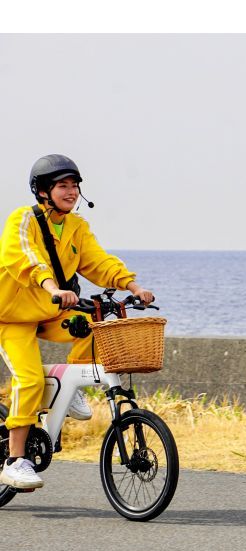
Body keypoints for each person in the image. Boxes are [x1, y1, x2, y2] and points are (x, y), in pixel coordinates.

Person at [0, 154, 154, 490]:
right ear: (43, 191)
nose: (71, 192)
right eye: (63, 186)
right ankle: (14, 460)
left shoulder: (77, 228)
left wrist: (133, 286)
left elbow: (99, 262)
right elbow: (26, 257)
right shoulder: (23, 220)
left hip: (50, 311)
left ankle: (71, 391)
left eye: (75, 186)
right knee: (29, 381)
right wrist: (53, 287)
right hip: (12, 317)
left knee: (94, 322)